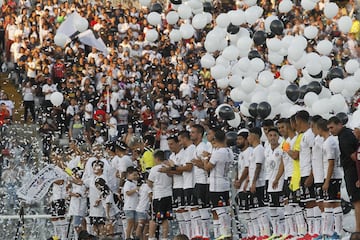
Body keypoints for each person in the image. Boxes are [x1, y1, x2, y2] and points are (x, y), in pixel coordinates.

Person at [327, 116, 360, 233]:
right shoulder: (346, 134)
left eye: (332, 127)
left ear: (340, 124)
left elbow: (355, 157)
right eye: (329, 128)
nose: (331, 130)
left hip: (353, 171)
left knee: (356, 201)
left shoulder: (344, 137)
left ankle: (358, 230)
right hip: (353, 170)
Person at [203, 130, 234, 239]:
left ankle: (225, 233)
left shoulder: (217, 153)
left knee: (219, 209)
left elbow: (207, 167)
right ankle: (224, 232)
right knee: (224, 208)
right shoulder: (229, 151)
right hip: (225, 182)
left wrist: (206, 158)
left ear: (215, 139)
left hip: (216, 184)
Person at [147, 150, 173, 240]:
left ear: (157, 158)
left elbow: (150, 182)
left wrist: (151, 190)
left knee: (154, 218)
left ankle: (151, 237)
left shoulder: (154, 169)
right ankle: (165, 238)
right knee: (165, 218)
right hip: (168, 195)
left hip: (158, 196)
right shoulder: (168, 168)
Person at [122, 166, 140, 240]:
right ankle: (128, 237)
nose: (136, 176)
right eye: (134, 175)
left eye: (136, 175)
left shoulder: (133, 183)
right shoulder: (127, 183)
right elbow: (128, 193)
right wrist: (136, 189)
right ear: (129, 174)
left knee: (136, 224)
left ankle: (134, 236)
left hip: (135, 206)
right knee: (130, 223)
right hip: (129, 207)